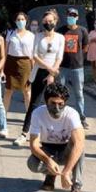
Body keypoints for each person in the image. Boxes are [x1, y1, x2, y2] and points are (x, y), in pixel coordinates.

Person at [27, 82, 85, 192]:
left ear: (65, 103)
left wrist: (66, 171)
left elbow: (79, 143)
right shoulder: (37, 113)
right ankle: (51, 175)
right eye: (52, 103)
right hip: (48, 148)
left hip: (66, 149)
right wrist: (48, 161)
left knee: (79, 149)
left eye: (60, 104)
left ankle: (76, 188)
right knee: (32, 164)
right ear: (46, 101)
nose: (57, 108)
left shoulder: (72, 114)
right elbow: (34, 145)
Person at [15, 9, 64, 146]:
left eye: (51, 21)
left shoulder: (60, 37)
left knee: (55, 105)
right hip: (40, 72)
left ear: (55, 21)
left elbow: (59, 56)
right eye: (46, 21)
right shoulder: (38, 36)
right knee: (34, 105)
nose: (48, 23)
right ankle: (24, 133)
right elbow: (35, 56)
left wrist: (52, 73)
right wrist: (49, 69)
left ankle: (54, 135)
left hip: (53, 74)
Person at [57, 7, 89, 129]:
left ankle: (82, 117)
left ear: (77, 17)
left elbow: (85, 47)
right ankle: (59, 114)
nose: (71, 17)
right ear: (66, 16)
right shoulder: (61, 30)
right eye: (69, 15)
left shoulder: (82, 31)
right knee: (60, 92)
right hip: (63, 67)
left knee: (79, 93)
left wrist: (79, 58)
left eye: (73, 15)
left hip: (77, 67)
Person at [3, 12, 35, 112]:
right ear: (15, 21)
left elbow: (33, 54)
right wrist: (2, 68)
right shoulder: (11, 34)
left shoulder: (31, 35)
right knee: (8, 91)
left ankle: (29, 117)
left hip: (25, 64)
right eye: (18, 19)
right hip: (11, 63)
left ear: (26, 21)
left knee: (27, 91)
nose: (20, 21)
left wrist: (34, 70)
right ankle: (3, 116)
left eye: (22, 19)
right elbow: (5, 51)